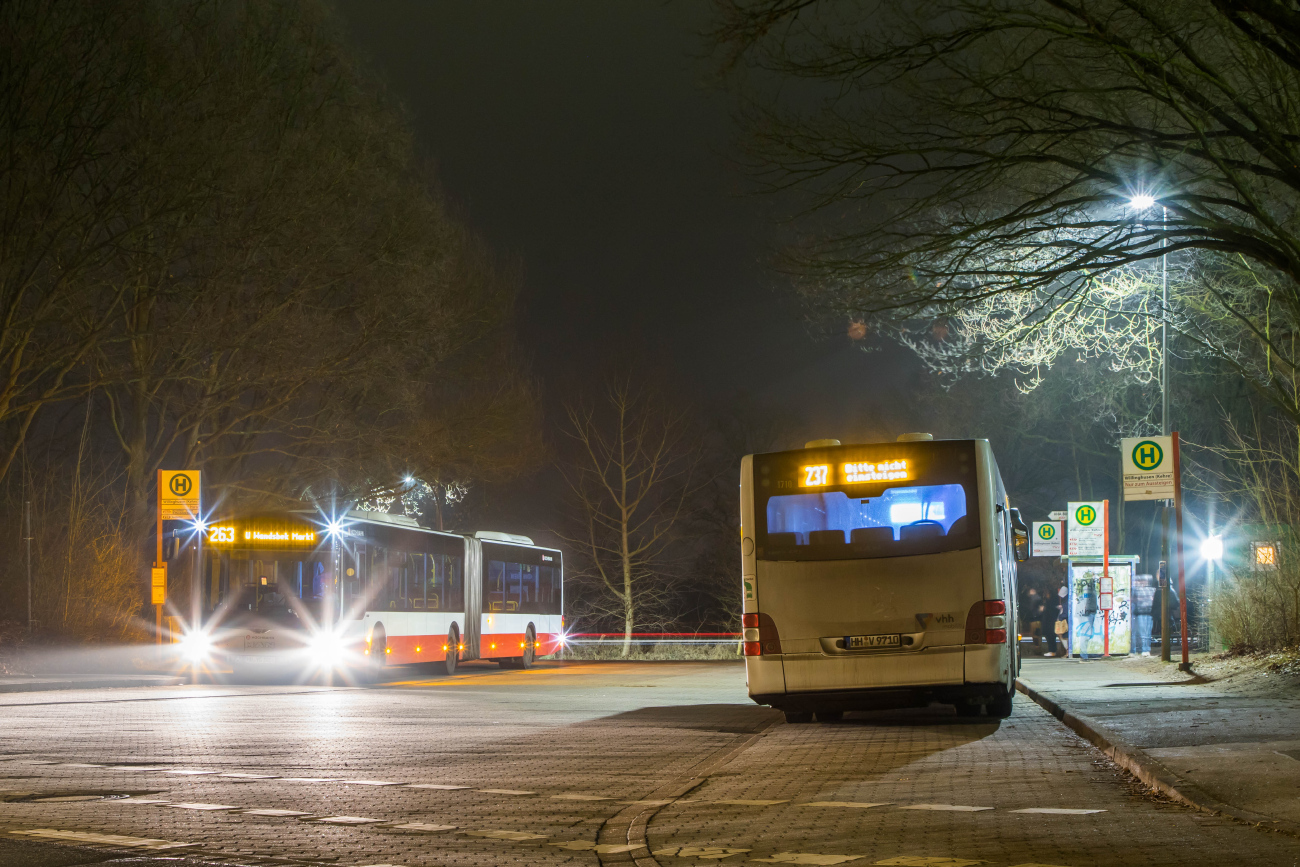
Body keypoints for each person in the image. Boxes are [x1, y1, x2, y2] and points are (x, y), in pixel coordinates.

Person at [1132, 573, 1156, 657]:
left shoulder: (1137, 590)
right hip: (1147, 613)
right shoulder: (1152, 590)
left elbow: (1134, 601)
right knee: (1145, 633)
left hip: (1141, 613)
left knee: (1142, 632)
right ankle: (1144, 649)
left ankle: (1141, 649)